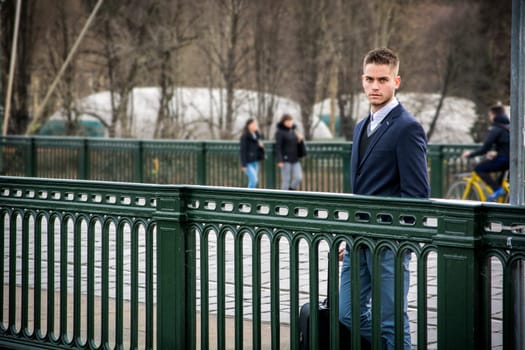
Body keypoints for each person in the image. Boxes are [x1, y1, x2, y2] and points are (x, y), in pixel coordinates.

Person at [338, 48, 430, 349]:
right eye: (369, 79)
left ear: (396, 81)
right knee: (347, 313)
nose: (374, 86)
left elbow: (417, 195)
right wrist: (347, 234)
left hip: (388, 241)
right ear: (362, 80)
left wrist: (399, 240)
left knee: (392, 321)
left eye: (382, 79)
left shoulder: (408, 128)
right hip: (357, 239)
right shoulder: (361, 126)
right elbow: (360, 189)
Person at [461, 105, 510, 201]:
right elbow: (506, 144)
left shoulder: (496, 129)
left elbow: (485, 147)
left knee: (479, 168)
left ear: (493, 115)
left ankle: (497, 190)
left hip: (504, 159)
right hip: (512, 160)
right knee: (500, 182)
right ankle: (501, 197)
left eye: (490, 115)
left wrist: (470, 154)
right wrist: (497, 153)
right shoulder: (507, 127)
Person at [275, 114, 305, 190]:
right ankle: (283, 198)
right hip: (285, 160)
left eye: (290, 121)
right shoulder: (280, 132)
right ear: (283, 122)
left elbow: (296, 144)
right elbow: (278, 147)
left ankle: (291, 189)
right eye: (287, 121)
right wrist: (280, 160)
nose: (289, 123)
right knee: (286, 180)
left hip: (295, 159)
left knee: (299, 177)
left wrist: (299, 140)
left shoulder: (293, 131)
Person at [240, 118, 265, 188]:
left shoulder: (256, 135)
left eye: (255, 124)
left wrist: (261, 146)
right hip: (248, 163)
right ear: (248, 125)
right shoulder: (244, 136)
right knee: (254, 180)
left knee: (252, 181)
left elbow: (260, 143)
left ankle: (249, 196)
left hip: (255, 161)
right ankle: (248, 196)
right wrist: (243, 164)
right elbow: (242, 150)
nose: (255, 126)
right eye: (253, 124)